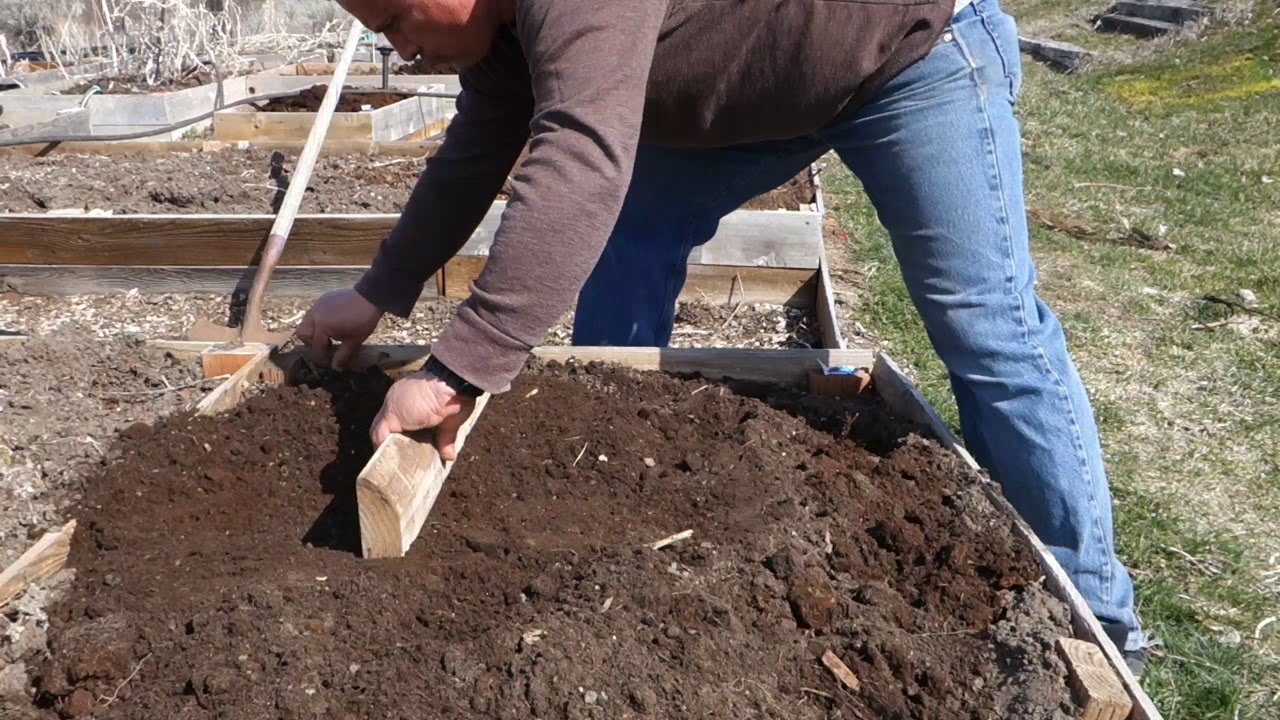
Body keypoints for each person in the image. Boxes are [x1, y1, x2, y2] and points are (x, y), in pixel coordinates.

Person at [295, 0, 1148, 671]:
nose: (402, 50)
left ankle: (1097, 617)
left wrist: (456, 371)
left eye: (398, 19)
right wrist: (379, 290)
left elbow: (584, 155)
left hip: (904, 53)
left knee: (985, 326)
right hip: (765, 86)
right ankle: (610, 495)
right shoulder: (504, 32)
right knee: (627, 251)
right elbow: (479, 148)